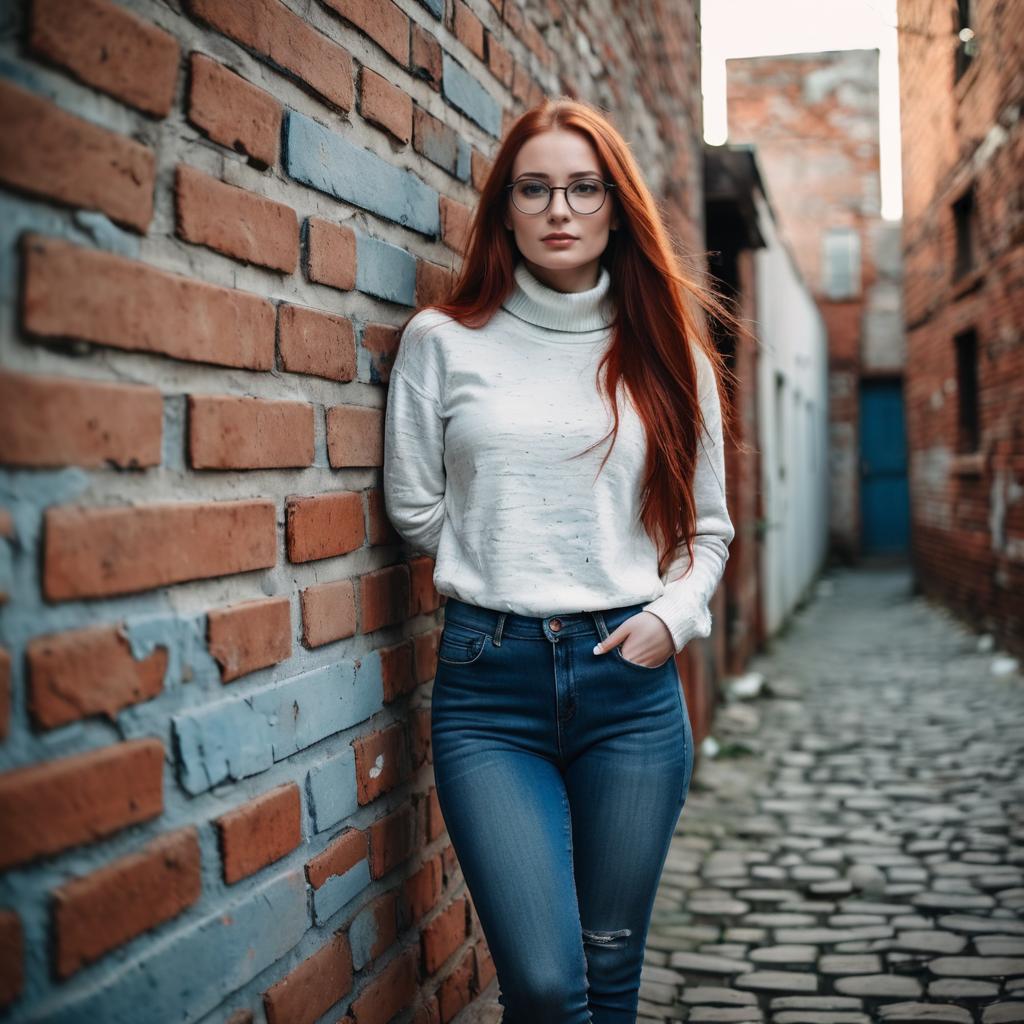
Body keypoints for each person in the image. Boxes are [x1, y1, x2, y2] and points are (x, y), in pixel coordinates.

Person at [383, 96, 738, 1023]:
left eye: (584, 189)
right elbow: (416, 507)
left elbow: (708, 530)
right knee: (545, 984)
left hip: (629, 683)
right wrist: (506, 561)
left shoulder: (666, 353)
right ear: (504, 208)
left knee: (609, 970)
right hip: (487, 687)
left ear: (616, 207)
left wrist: (670, 620)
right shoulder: (443, 341)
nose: (559, 209)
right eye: (534, 189)